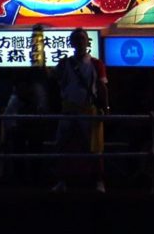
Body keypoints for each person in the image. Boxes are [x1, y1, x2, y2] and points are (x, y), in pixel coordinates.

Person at [51, 28, 109, 193]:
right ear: (71, 42)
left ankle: (99, 181)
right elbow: (53, 80)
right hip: (68, 109)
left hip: (88, 109)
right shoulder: (64, 63)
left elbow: (102, 87)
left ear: (87, 42)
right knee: (63, 145)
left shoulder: (96, 64)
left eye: (82, 39)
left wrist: (106, 107)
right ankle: (62, 180)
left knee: (94, 147)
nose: (79, 42)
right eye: (76, 39)